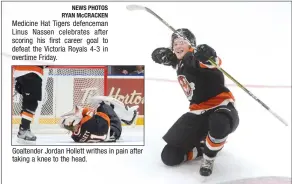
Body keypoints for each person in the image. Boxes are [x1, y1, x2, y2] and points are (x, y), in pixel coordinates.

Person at [151, 28, 239, 176]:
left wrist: (208, 56)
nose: (178, 46)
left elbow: (210, 63)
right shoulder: (181, 63)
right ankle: (203, 147)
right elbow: (177, 60)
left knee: (219, 124)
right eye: (175, 44)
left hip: (221, 108)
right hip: (198, 113)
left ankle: (209, 155)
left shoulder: (194, 58)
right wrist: (163, 56)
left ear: (191, 45)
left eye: (182, 42)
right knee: (170, 156)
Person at [59, 96, 139, 143]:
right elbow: (84, 110)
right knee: (103, 103)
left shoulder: (75, 138)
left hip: (111, 137)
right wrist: (76, 113)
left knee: (100, 115)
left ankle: (122, 117)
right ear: (75, 121)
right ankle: (129, 118)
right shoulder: (86, 121)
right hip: (115, 128)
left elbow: (74, 127)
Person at [13, 66, 45, 144]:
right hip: (31, 71)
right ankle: (23, 130)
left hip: (24, 72)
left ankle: (25, 129)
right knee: (30, 104)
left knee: (28, 103)